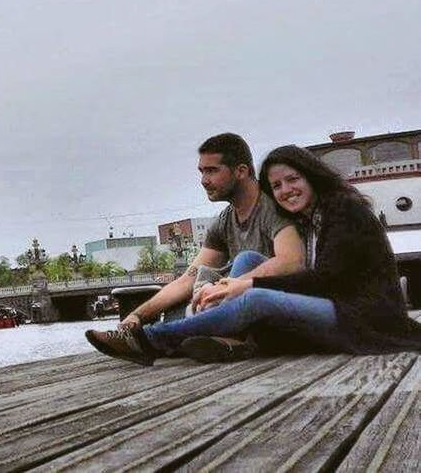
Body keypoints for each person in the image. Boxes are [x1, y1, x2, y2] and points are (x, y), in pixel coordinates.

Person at [86, 145, 421, 365]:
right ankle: (231, 341)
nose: (286, 190)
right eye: (277, 186)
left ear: (312, 176)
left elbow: (325, 280)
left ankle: (152, 341)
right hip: (339, 308)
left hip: (364, 319)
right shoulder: (313, 216)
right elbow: (192, 275)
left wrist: (242, 287)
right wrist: (235, 281)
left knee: (255, 299)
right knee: (246, 258)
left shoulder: (345, 211)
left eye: (293, 179)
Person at [118, 133, 304, 332]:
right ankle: (207, 337)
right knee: (176, 307)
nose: (204, 181)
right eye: (201, 172)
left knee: (245, 260)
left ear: (241, 171)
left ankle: (158, 337)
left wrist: (227, 286)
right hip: (238, 310)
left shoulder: (274, 206)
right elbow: (188, 279)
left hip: (274, 306)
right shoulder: (224, 221)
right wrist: (137, 315)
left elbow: (290, 261)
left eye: (212, 171)